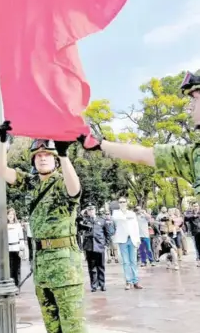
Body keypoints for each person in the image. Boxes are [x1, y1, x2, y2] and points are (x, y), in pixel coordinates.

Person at [0, 122, 94, 333]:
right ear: (33, 159)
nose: (42, 158)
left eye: (47, 155)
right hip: (41, 265)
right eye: (38, 155)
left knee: (73, 328)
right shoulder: (31, 184)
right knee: (54, 327)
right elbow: (1, 171)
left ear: (54, 159)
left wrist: (64, 156)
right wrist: (4, 144)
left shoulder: (63, 182)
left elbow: (75, 190)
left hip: (65, 265)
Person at [77, 70, 200, 239]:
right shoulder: (193, 155)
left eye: (195, 98)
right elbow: (144, 155)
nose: (190, 106)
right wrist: (99, 144)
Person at [79, 204, 112, 292]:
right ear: (87, 211)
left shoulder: (102, 220)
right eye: (89, 210)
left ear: (95, 210)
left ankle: (102, 284)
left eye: (92, 210)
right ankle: (94, 285)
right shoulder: (84, 221)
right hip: (89, 247)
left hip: (100, 245)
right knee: (91, 267)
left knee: (101, 266)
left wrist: (106, 243)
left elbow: (107, 233)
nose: (91, 211)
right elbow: (79, 227)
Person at [112, 198, 142, 290]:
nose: (122, 203)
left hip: (132, 239)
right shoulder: (116, 213)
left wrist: (138, 239)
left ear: (127, 203)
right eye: (120, 202)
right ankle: (128, 281)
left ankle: (135, 281)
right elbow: (117, 219)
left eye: (124, 202)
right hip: (122, 240)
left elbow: (135, 226)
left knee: (133, 261)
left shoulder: (131, 213)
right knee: (126, 262)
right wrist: (126, 217)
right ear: (118, 204)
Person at [7, 208, 25, 287]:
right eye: (9, 214)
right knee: (9, 269)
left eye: (12, 214)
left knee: (16, 269)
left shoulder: (18, 225)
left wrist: (21, 249)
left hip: (16, 249)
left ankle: (17, 286)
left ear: (14, 216)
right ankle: (10, 285)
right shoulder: (5, 225)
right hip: (8, 249)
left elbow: (21, 238)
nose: (10, 216)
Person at [185, 202, 200, 267]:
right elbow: (186, 218)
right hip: (195, 232)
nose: (196, 207)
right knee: (197, 246)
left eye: (197, 206)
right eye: (194, 206)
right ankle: (198, 259)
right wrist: (193, 216)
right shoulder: (190, 213)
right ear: (192, 207)